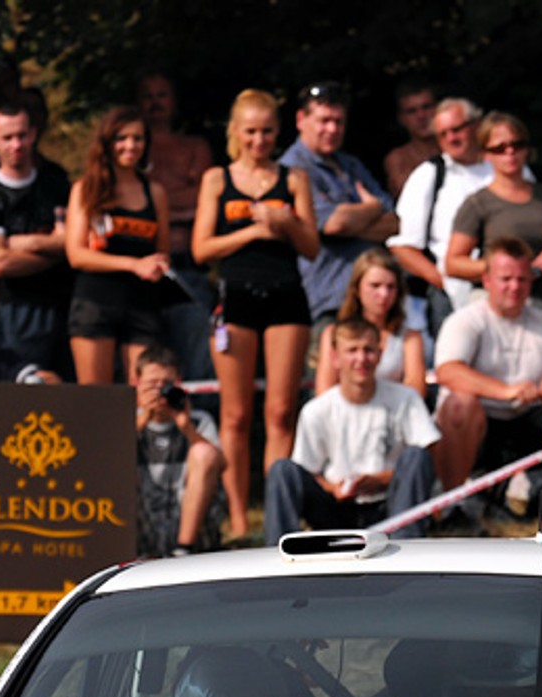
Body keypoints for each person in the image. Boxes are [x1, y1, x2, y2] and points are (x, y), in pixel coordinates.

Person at [193, 89, 319, 537]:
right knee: (235, 415)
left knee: (282, 411)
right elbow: (201, 248)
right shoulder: (216, 179)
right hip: (236, 297)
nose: (259, 140)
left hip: (286, 296)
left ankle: (279, 517)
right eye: (250, 131)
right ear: (236, 132)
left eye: (267, 131)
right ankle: (238, 515)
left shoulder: (295, 178)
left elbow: (312, 246)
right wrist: (251, 230)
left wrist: (286, 223)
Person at [433, 237, 542, 517]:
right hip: (482, 426)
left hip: (531, 423)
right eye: (506, 279)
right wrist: (505, 391)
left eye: (522, 279)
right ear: (486, 280)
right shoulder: (465, 320)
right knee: (458, 404)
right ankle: (453, 506)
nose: (515, 287)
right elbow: (448, 371)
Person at [265, 318, 439, 542]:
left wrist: (383, 480)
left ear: (380, 353)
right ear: (336, 358)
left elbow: (428, 458)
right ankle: (279, 556)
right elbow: (309, 471)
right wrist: (334, 489)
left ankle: (407, 547)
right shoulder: (316, 410)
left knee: (417, 455)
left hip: (390, 504)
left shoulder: (406, 398)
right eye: (352, 350)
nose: (361, 359)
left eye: (368, 350)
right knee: (282, 469)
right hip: (335, 509)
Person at [65, 106, 174, 386]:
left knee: (144, 394)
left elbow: (162, 251)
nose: (130, 146)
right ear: (107, 142)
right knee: (96, 400)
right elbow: (76, 254)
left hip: (142, 303)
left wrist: (158, 265)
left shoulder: (155, 192)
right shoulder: (86, 189)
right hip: (95, 302)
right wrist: (133, 264)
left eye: (138, 138)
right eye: (121, 138)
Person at [279, 83, 399, 324]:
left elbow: (396, 223)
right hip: (328, 302)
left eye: (339, 121)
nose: (332, 129)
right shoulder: (292, 169)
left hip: (374, 302)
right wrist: (372, 208)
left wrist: (352, 221)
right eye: (324, 121)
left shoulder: (350, 165)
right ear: (301, 120)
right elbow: (335, 224)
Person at [0, 100, 72, 378]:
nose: (16, 144)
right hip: (17, 310)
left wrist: (24, 243)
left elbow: (76, 245)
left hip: (67, 306)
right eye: (7, 138)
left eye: (21, 135)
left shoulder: (58, 186)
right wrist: (56, 247)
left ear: (33, 134)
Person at [388, 97, 495, 338]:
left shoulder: (503, 169)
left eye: (457, 129)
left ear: (476, 125)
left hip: (511, 290)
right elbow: (403, 246)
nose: (451, 139)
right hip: (453, 298)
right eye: (442, 134)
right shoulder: (429, 175)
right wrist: (442, 282)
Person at [444, 113, 542, 311]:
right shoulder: (478, 203)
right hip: (494, 306)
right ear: (486, 153)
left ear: (527, 149)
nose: (510, 152)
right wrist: (512, 269)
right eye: (499, 148)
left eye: (517, 145)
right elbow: (453, 263)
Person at [137, 72, 217, 380]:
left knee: (196, 358)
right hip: (140, 272)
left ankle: (199, 423)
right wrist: (179, 201)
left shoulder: (194, 147)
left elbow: (205, 200)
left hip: (189, 271)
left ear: (174, 102)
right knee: (146, 361)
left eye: (162, 95)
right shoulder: (133, 148)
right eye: (148, 95)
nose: (155, 103)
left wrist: (153, 201)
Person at [132, 348, 225, 557]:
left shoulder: (199, 420)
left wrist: (187, 428)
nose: (159, 391)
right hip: (142, 526)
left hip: (193, 528)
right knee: (117, 460)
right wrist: (141, 422)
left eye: (166, 384)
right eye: (151, 384)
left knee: (204, 452)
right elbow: (102, 463)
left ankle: (184, 548)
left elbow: (220, 464)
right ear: (136, 382)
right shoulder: (127, 421)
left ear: (178, 383)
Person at [313, 249, 425, 394]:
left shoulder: (410, 337)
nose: (384, 294)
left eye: (391, 287)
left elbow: (416, 390)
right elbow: (324, 390)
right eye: (375, 285)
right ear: (357, 289)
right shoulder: (333, 334)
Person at [383, 80, 440, 196]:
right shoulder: (398, 159)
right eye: (411, 111)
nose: (421, 116)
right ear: (402, 119)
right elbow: (412, 195)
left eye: (426, 107)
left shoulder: (457, 147)